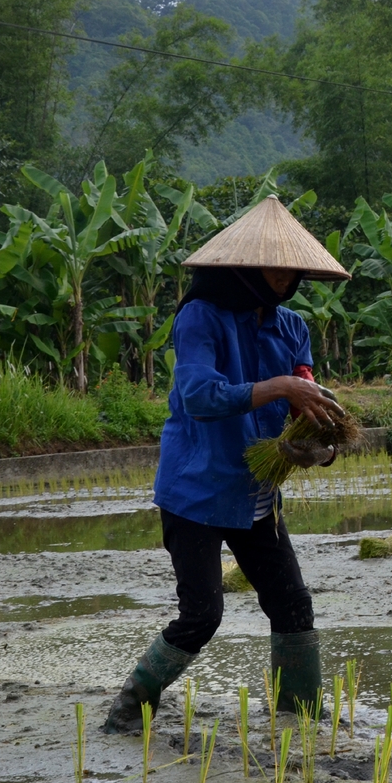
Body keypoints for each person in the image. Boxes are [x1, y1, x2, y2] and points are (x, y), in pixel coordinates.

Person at [103, 196, 351, 734]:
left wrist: (316, 445)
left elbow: (303, 402)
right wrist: (279, 385)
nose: (285, 279)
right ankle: (130, 705)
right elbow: (198, 394)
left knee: (293, 606)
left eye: (293, 270)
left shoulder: (292, 328)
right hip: (196, 489)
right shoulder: (200, 318)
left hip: (259, 493)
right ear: (243, 268)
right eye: (275, 267)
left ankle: (299, 716)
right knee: (202, 616)